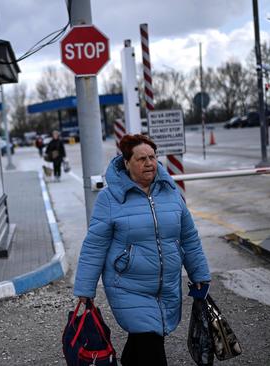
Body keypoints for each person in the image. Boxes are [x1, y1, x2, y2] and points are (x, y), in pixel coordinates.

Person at [73, 134, 211, 366]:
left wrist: (199, 274)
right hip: (127, 285)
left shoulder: (171, 194)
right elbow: (94, 246)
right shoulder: (110, 199)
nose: (149, 163)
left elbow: (189, 238)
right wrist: (85, 290)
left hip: (165, 285)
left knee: (145, 339)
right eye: (141, 159)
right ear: (126, 163)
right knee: (150, 342)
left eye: (152, 157)